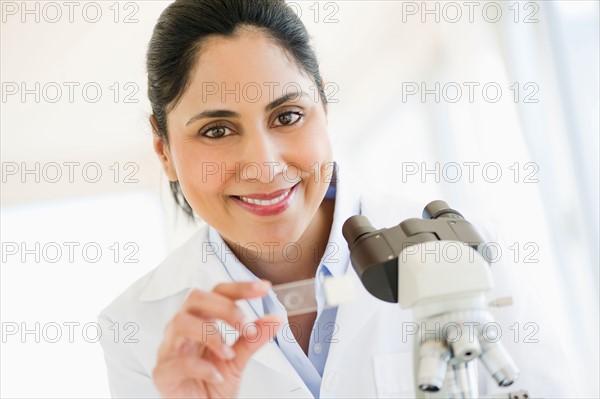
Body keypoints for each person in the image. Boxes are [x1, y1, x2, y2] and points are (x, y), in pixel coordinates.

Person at [98, 0, 574, 398]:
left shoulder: (468, 249)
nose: (264, 166)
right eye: (216, 130)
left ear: (323, 108)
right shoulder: (136, 330)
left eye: (286, 116)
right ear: (164, 151)